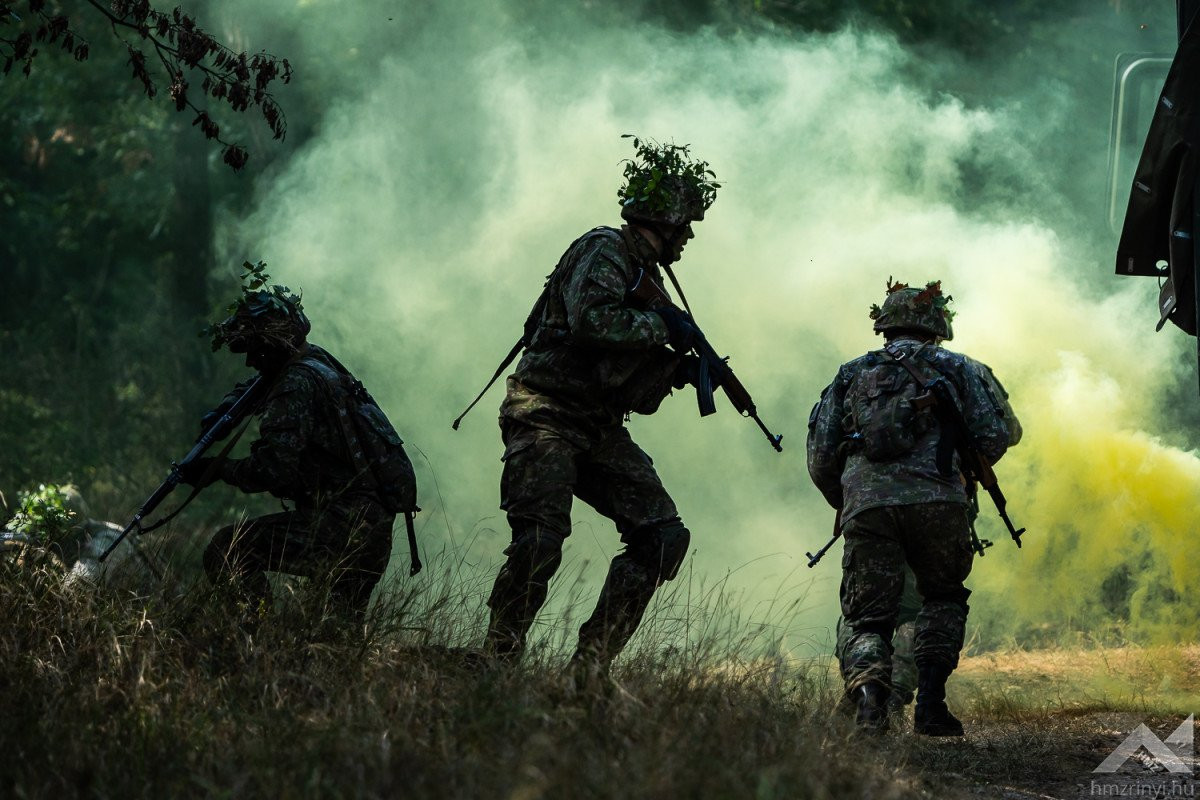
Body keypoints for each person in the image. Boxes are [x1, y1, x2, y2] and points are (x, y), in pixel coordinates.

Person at [480, 137, 718, 681]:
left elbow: (620, 375)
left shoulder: (645, 274)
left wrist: (676, 370)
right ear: (665, 222)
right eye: (686, 227)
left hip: (596, 425)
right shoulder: (604, 249)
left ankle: (587, 670)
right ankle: (497, 660)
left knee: (663, 538)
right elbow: (592, 322)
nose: (688, 239)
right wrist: (663, 325)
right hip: (544, 411)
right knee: (540, 540)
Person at [807, 279, 1017, 735]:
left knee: (867, 618)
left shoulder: (851, 373)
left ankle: (869, 705)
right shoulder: (960, 367)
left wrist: (848, 501)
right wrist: (959, 467)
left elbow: (821, 456)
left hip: (868, 506)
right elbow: (998, 435)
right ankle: (931, 706)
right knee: (942, 597)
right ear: (937, 325)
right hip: (939, 501)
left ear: (885, 326)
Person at [180, 264, 415, 622]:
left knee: (227, 549)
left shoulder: (295, 384)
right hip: (371, 529)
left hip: (340, 527)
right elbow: (257, 386)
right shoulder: (316, 361)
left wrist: (218, 470)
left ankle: (256, 632)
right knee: (334, 635)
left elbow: (273, 470)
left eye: (255, 350)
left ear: (274, 345)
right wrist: (227, 410)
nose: (250, 360)